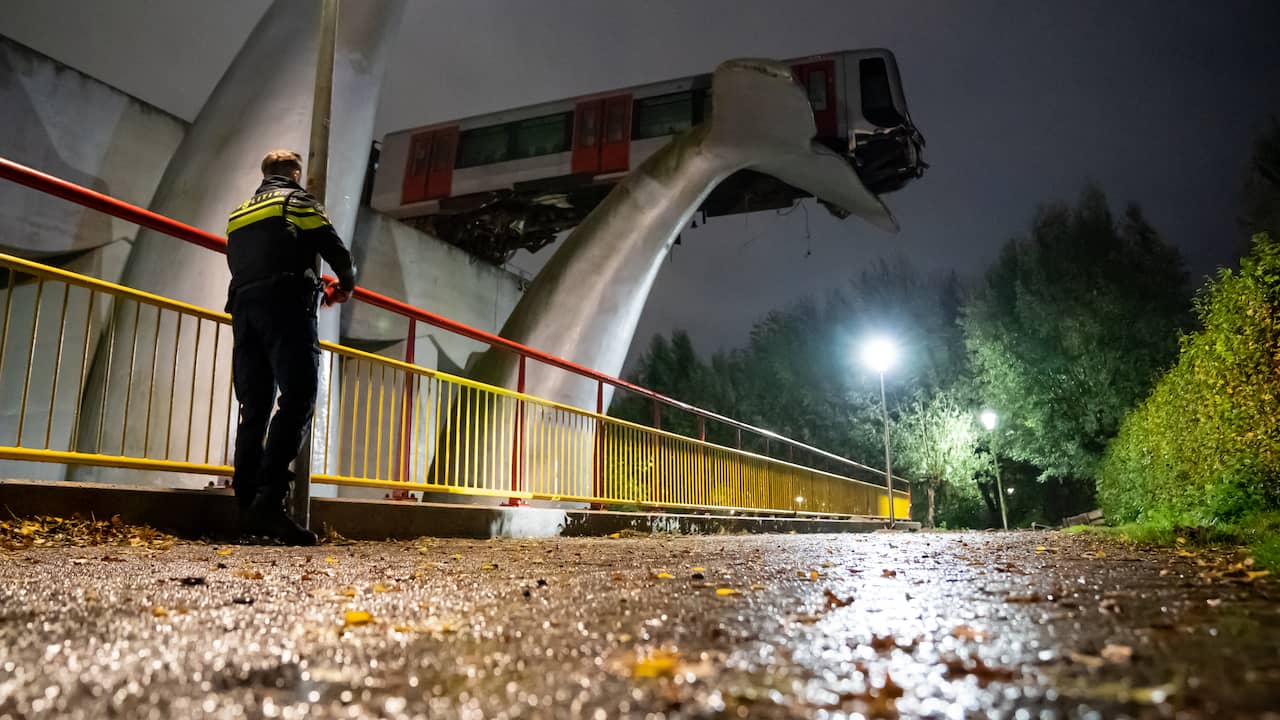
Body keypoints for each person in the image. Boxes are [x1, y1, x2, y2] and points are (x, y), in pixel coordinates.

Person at [225, 149, 356, 545]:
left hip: (244, 311)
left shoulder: (239, 211)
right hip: (285, 306)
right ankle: (270, 501)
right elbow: (339, 254)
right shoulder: (298, 202)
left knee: (255, 406)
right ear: (295, 174)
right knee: (298, 397)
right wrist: (344, 288)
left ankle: (247, 507)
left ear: (265, 174)